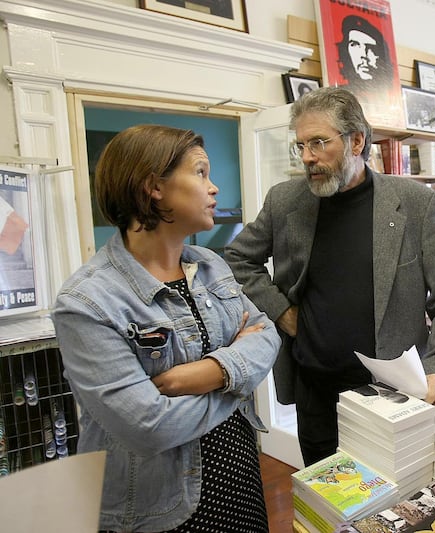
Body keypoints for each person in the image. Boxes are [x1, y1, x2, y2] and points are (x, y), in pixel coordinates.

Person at [51, 124, 281, 532]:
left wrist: (211, 373)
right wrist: (239, 380)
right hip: (158, 510)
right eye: (200, 172)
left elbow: (266, 334)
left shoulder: (211, 265)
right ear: (154, 187)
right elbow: (150, 427)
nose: (214, 188)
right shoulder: (87, 303)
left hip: (240, 478)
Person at [225, 87, 435, 466]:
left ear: (357, 141)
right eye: (301, 145)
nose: (308, 157)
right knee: (329, 502)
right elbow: (238, 259)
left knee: (395, 503)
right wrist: (281, 311)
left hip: (393, 391)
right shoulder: (285, 201)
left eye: (319, 143)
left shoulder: (415, 202)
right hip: (316, 390)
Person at [336, 15, 394, 96]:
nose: (363, 56)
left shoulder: (389, 97)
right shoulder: (337, 95)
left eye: (370, 47)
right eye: (355, 45)